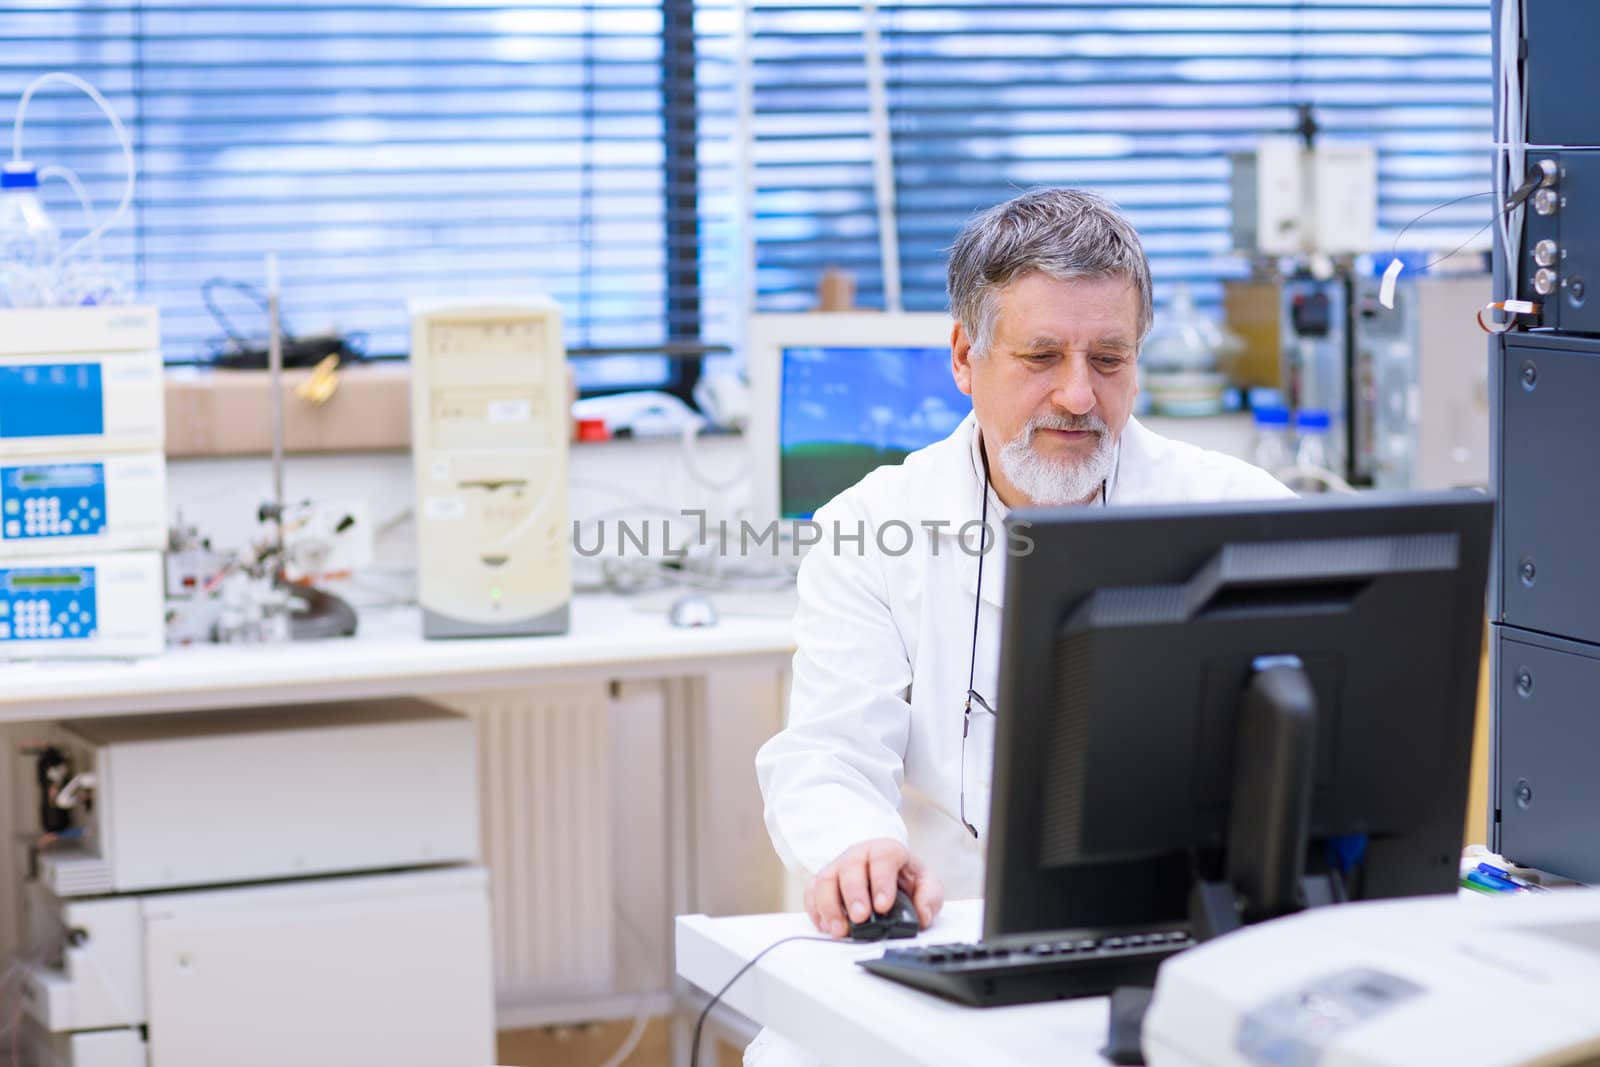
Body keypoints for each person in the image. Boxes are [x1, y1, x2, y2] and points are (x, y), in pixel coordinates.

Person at [757, 187, 1295, 945]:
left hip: (1180, 930)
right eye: (1041, 357)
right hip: (950, 930)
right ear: (964, 359)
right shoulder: (872, 526)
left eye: (1108, 359)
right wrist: (858, 849)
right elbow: (831, 752)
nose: (1077, 394)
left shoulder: (1240, 510)